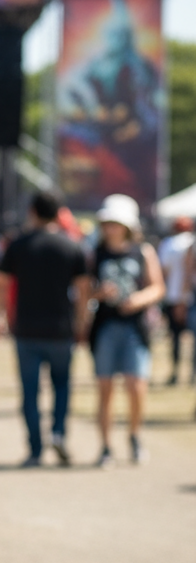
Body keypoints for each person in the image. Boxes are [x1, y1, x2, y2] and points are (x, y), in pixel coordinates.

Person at [0, 191, 90, 467]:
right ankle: (58, 433)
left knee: (30, 392)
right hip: (61, 329)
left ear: (33, 211)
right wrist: (82, 323)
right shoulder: (72, 247)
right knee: (62, 386)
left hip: (26, 329)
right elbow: (83, 290)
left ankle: (35, 449)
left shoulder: (19, 245)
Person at [89, 194, 165, 468]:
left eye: (116, 223)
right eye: (107, 222)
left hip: (135, 328)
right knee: (105, 387)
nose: (111, 228)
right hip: (106, 326)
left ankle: (134, 435)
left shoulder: (143, 251)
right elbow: (85, 290)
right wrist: (99, 293)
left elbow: (157, 287)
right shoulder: (95, 252)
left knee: (136, 385)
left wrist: (139, 300)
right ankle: (106, 446)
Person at [158, 217, 194, 385]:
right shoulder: (190, 242)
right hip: (190, 296)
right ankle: (191, 375)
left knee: (175, 337)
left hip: (174, 295)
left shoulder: (169, 244)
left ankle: (175, 373)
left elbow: (164, 270)